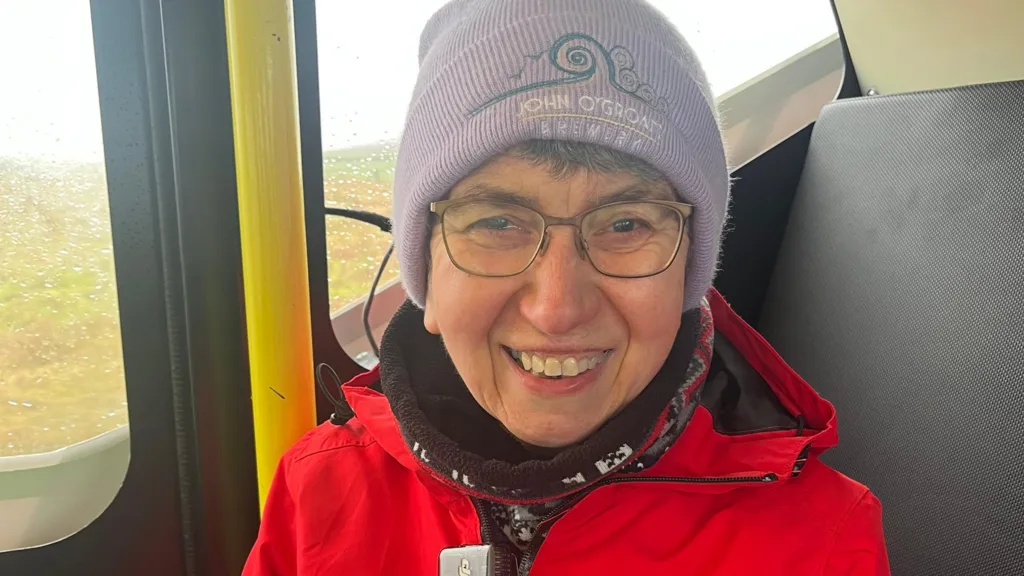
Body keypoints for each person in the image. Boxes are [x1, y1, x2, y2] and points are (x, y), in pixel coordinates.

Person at [243, 0, 891, 573]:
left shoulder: (819, 543)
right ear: (427, 276)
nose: (557, 308)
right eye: (496, 222)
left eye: (626, 223)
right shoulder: (320, 489)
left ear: (689, 277)